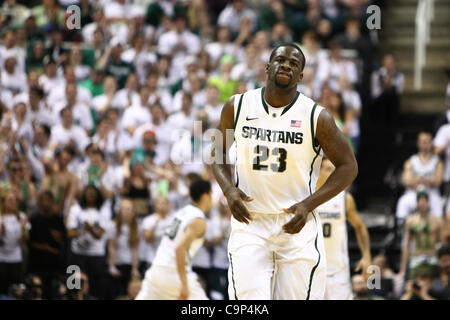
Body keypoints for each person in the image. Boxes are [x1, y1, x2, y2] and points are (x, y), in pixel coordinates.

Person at [211, 43, 358, 300]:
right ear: (267, 67)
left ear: (300, 76)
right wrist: (229, 191)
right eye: (280, 60)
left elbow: (349, 167)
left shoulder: (316, 117)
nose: (286, 65)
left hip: (295, 226)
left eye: (294, 63)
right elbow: (216, 153)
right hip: (250, 222)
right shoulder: (237, 106)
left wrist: (308, 204)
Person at [135, 179, 212, 300]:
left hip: (156, 270)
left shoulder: (181, 212)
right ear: (205, 196)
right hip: (173, 273)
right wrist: (184, 284)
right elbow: (179, 248)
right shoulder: (199, 220)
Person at [315, 158, 371, 300]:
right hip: (312, 266)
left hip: (338, 270)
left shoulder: (345, 198)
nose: (332, 173)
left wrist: (366, 256)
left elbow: (360, 227)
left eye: (334, 170)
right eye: (328, 169)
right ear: (318, 171)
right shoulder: (307, 196)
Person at [396, 132, 444, 221]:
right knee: (403, 202)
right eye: (423, 142)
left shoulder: (437, 162)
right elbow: (406, 181)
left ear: (432, 143)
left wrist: (418, 180)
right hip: (413, 193)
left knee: (437, 206)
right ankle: (401, 231)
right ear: (418, 143)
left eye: (428, 142)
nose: (425, 145)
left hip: (431, 194)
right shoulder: (411, 161)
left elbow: (438, 181)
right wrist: (426, 180)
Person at [399, 190, 446, 280]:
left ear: (428, 202)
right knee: (413, 283)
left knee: (434, 284)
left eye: (424, 201)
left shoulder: (437, 221)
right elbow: (406, 245)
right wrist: (403, 268)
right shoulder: (410, 221)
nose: (422, 203)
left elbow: (442, 243)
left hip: (432, 255)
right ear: (417, 203)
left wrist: (442, 264)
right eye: (420, 201)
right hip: (416, 256)